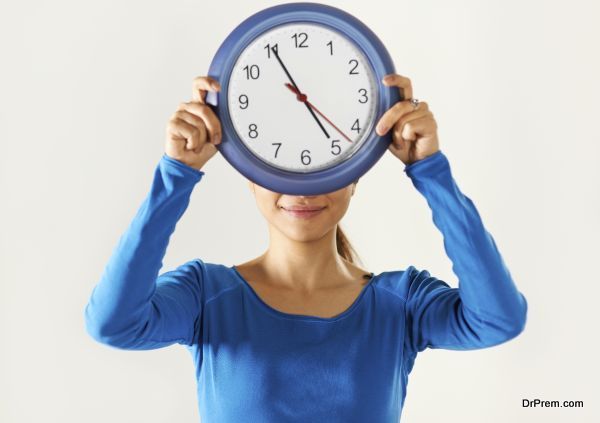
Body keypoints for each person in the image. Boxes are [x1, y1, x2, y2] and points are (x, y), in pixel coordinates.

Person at [84, 74, 528, 422]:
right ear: (248, 175)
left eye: (324, 166)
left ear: (356, 175)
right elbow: (113, 323)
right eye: (281, 164)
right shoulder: (205, 296)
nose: (302, 189)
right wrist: (176, 173)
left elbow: (498, 318)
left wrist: (430, 170)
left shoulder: (400, 303)